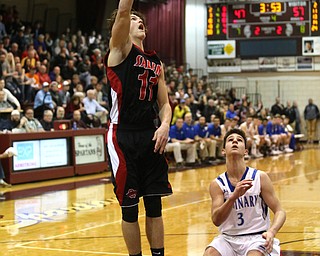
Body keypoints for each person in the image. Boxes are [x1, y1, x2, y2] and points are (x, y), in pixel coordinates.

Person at [105, 1, 173, 256]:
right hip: (122, 135)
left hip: (150, 134)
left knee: (155, 205)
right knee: (130, 207)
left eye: (139, 18)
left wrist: (165, 124)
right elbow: (123, 10)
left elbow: (164, 103)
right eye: (133, 19)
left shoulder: (156, 64)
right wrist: (126, 12)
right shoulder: (120, 49)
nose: (137, 20)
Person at [204, 128, 286, 256]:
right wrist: (233, 197)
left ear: (246, 151)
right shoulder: (217, 184)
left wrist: (272, 232)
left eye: (239, 140)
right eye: (231, 140)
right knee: (210, 253)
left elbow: (280, 211)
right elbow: (216, 220)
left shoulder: (260, 177)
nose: (235, 142)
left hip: (257, 237)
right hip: (228, 238)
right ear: (223, 151)